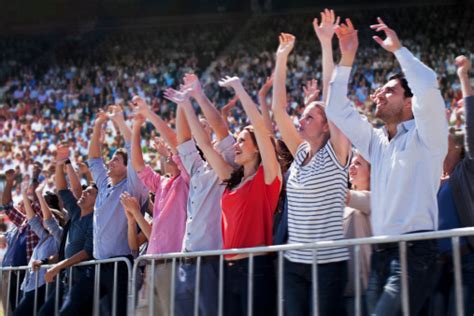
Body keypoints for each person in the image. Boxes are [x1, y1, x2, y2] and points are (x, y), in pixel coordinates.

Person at [326, 17, 448, 315]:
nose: (379, 94)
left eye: (390, 90)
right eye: (380, 89)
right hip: (381, 254)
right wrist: (347, 56)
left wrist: (398, 51)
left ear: (410, 102)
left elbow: (428, 88)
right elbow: (335, 109)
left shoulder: (428, 136)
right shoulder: (375, 142)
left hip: (415, 254)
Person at [272, 9, 352, 316]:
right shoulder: (301, 152)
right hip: (295, 262)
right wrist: (281, 58)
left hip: (328, 263)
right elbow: (280, 111)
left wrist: (325, 42)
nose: (301, 119)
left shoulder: (337, 152)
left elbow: (334, 100)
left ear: (326, 125)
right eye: (302, 115)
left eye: (311, 116)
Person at [164, 74, 237, 316]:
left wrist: (196, 97)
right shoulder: (198, 167)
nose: (199, 127)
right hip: (188, 260)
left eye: (202, 124)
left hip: (211, 261)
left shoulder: (229, 161)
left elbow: (221, 129)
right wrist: (182, 105)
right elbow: (183, 139)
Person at [216, 75, 281, 315]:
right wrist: (191, 101)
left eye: (242, 140)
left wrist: (239, 88)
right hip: (229, 267)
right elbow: (204, 143)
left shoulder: (268, 177)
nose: (236, 145)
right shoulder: (233, 181)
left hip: (255, 267)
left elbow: (262, 130)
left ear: (257, 146)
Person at [121, 95, 189, 316]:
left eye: (172, 155)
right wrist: (137, 126)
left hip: (173, 262)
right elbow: (139, 165)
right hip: (152, 261)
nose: (168, 156)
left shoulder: (188, 180)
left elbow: (180, 148)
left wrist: (150, 114)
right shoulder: (161, 183)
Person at [87, 105, 148, 316]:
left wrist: (120, 122)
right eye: (111, 158)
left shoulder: (133, 185)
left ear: (127, 166)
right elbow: (94, 160)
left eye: (116, 159)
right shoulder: (104, 183)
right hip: (98, 264)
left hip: (120, 265)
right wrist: (97, 125)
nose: (110, 161)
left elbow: (133, 150)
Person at [430, 55, 474, 316]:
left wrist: (463, 77)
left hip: (466, 262)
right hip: (436, 266)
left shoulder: (466, 171)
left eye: (444, 140)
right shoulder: (430, 177)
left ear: (458, 149)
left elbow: (471, 127)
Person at [38, 145, 96, 316]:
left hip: (83, 278)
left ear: (98, 200)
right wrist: (58, 164)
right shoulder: (76, 212)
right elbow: (62, 190)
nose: (83, 193)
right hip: (67, 278)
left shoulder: (95, 219)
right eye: (85, 190)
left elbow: (87, 251)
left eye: (90, 192)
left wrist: (57, 267)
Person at [14, 182, 61, 316]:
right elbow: (33, 220)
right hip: (29, 285)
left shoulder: (59, 236)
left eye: (49, 219)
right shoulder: (44, 236)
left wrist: (39, 195)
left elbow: (50, 222)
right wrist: (24, 194)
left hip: (43, 286)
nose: (44, 221)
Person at [1, 169, 41, 313]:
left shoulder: (40, 222)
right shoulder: (22, 222)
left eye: (25, 203)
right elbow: (7, 206)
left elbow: (37, 202)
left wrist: (35, 176)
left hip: (29, 276)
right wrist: (10, 181)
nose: (21, 205)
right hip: (13, 275)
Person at [343, 151, 372, 315]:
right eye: (351, 164)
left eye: (358, 164)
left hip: (362, 289)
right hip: (342, 287)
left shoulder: (373, 198)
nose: (352, 167)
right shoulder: (344, 205)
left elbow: (347, 196)